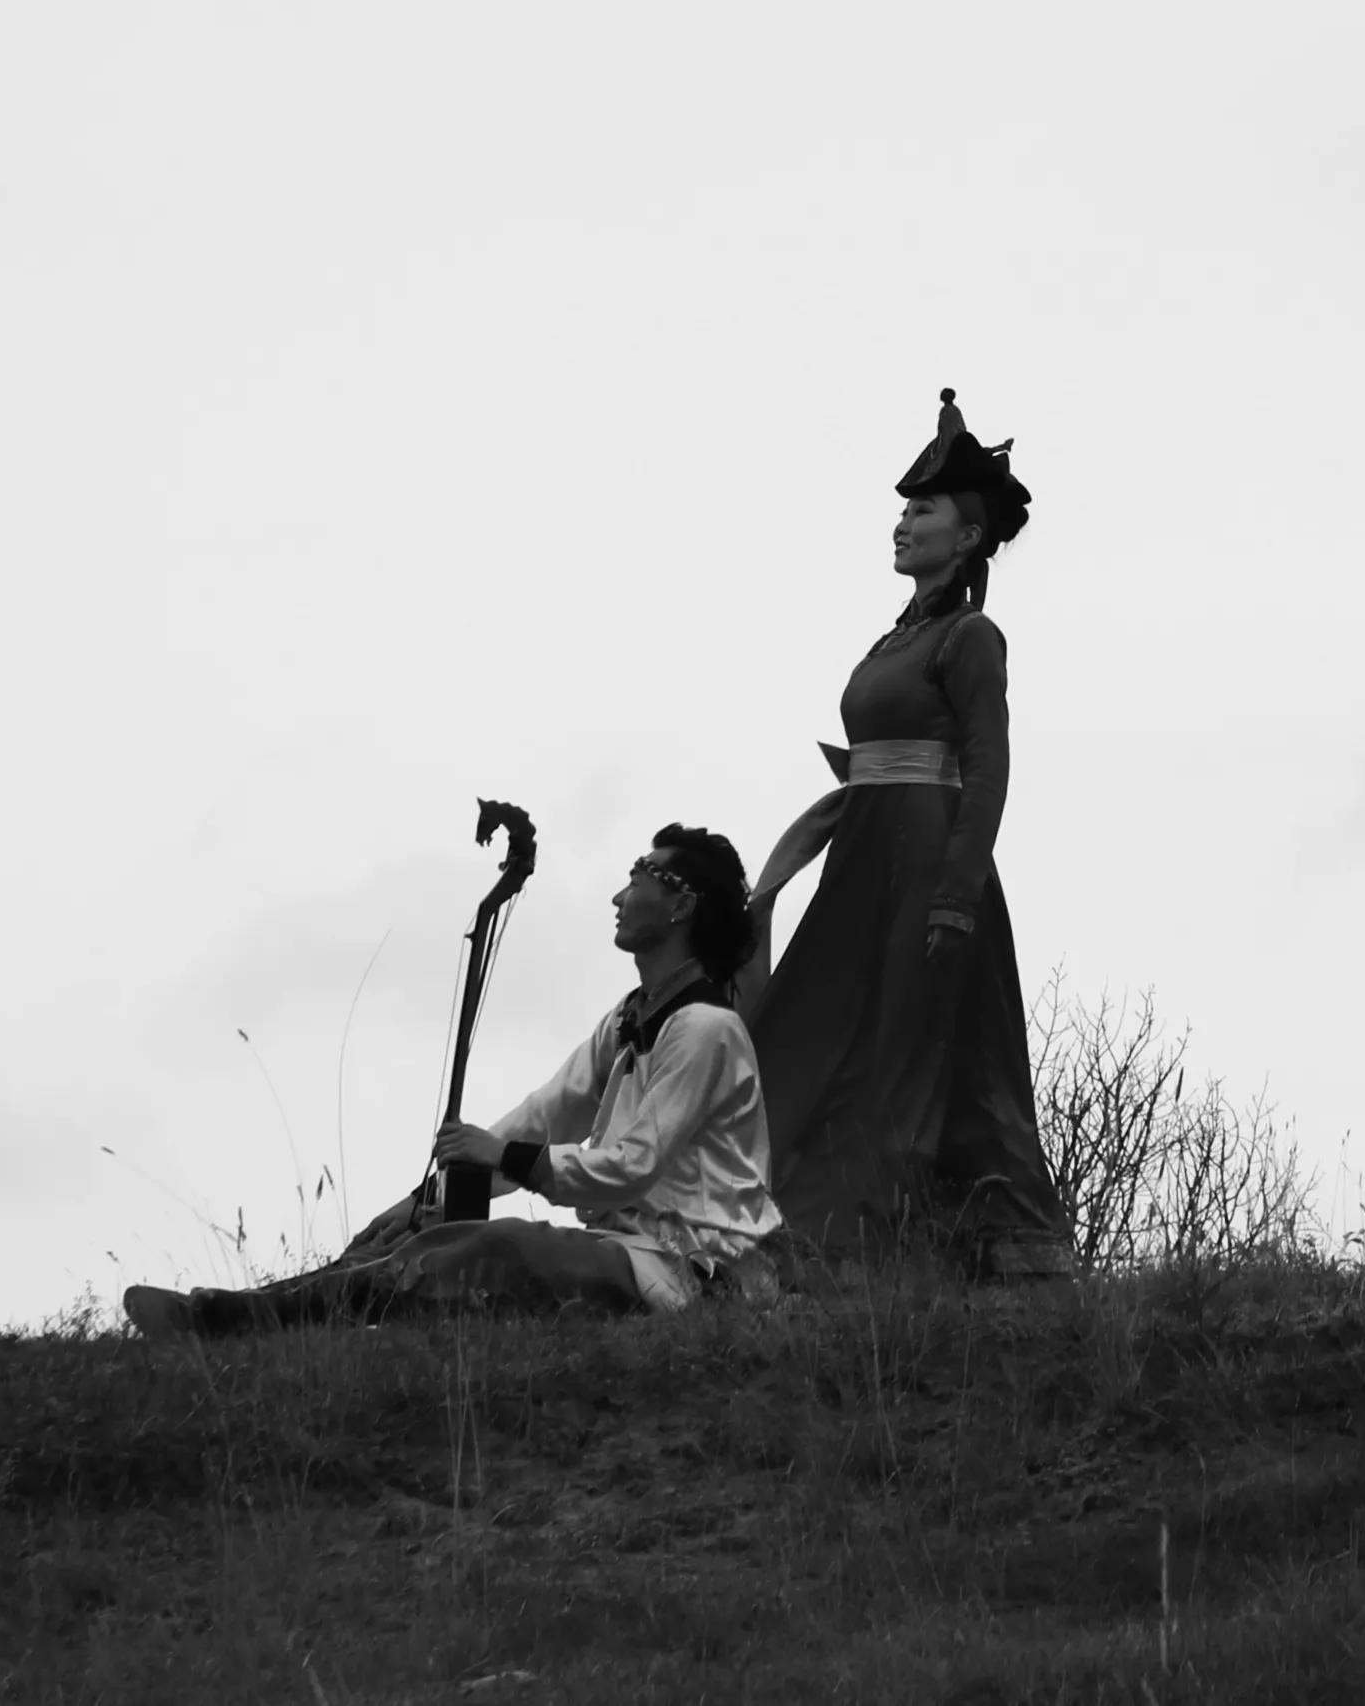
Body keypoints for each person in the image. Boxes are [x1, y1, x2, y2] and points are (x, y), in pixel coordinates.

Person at [124, 827, 784, 1334]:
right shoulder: (627, 1019)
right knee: (420, 1234)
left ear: (682, 904)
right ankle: (236, 1314)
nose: (619, 894)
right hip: (629, 1252)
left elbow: (628, 1167)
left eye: (641, 873)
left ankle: (245, 1320)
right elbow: (546, 1113)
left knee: (497, 1244)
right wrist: (428, 1197)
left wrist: (500, 1159)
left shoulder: (705, 1030)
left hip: (696, 1273)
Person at [745, 388, 1079, 1276]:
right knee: (811, 1029)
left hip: (928, 866)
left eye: (921, 508)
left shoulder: (972, 636)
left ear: (965, 536)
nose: (902, 521)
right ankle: (790, 1223)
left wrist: (956, 890)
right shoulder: (897, 638)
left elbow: (989, 766)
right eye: (902, 506)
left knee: (910, 1051)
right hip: (863, 859)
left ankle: (887, 1240)